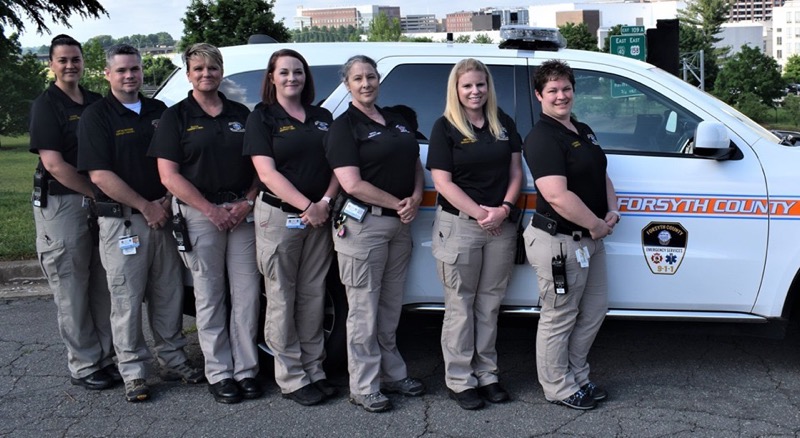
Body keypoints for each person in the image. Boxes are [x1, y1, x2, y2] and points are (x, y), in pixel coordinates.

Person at [77, 44, 203, 403]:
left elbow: (175, 163)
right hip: (124, 223)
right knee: (127, 299)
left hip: (164, 215)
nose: (130, 75)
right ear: (107, 74)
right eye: (121, 70)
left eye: (135, 69)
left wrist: (164, 202)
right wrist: (145, 206)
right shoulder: (96, 116)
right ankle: (133, 372)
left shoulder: (159, 111)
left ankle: (173, 360)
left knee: (169, 293)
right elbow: (99, 175)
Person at [148, 43, 261, 404]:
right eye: (198, 69)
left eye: (212, 68)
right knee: (210, 296)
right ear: (188, 75)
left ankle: (246, 370)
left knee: (246, 296)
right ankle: (220, 372)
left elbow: (260, 166)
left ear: (221, 72)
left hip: (241, 213)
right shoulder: (176, 117)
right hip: (200, 215)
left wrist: (247, 201)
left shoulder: (241, 113)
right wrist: (210, 210)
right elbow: (168, 175)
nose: (206, 74)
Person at [324, 55, 425, 413]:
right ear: (347, 85)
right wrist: (398, 203)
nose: (366, 84)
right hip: (363, 227)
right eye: (358, 79)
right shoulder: (343, 127)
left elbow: (414, 162)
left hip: (399, 225)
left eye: (371, 77)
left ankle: (392, 373)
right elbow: (351, 184)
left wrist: (415, 197)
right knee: (363, 309)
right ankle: (364, 386)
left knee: (390, 305)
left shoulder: (396, 120)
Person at [243, 48, 339, 406]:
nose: (291, 78)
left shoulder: (322, 116)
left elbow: (338, 165)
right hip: (281, 217)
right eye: (283, 72)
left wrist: (324, 203)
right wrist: (307, 207)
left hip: (319, 216)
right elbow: (266, 173)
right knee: (282, 295)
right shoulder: (262, 117)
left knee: (313, 294)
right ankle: (291, 377)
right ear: (272, 78)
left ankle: (314, 368)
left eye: (297, 72)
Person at [522, 59, 619, 411]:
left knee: (593, 310)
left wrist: (612, 209)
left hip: (591, 239)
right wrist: (596, 224)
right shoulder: (542, 138)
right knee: (559, 316)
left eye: (566, 88)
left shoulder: (582, 129)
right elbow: (557, 196)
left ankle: (577, 375)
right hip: (560, 243)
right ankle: (558, 387)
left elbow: (601, 173)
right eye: (552, 90)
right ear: (539, 95)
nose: (561, 96)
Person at [426, 58, 523, 410]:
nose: (475, 91)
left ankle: (487, 374)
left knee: (489, 304)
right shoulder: (445, 127)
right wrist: (483, 214)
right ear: (456, 88)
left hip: (501, 224)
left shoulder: (503, 123)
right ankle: (460, 379)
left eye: (480, 84)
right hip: (461, 226)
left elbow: (516, 172)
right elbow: (442, 183)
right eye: (467, 85)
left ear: (488, 87)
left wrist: (504, 209)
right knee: (460, 306)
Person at [29, 34, 117, 391]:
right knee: (72, 286)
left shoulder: (96, 101)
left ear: (83, 62)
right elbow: (54, 164)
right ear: (52, 64)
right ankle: (84, 364)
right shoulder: (46, 105)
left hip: (99, 201)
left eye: (75, 59)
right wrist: (96, 192)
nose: (70, 65)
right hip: (64, 203)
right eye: (62, 60)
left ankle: (106, 358)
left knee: (101, 283)